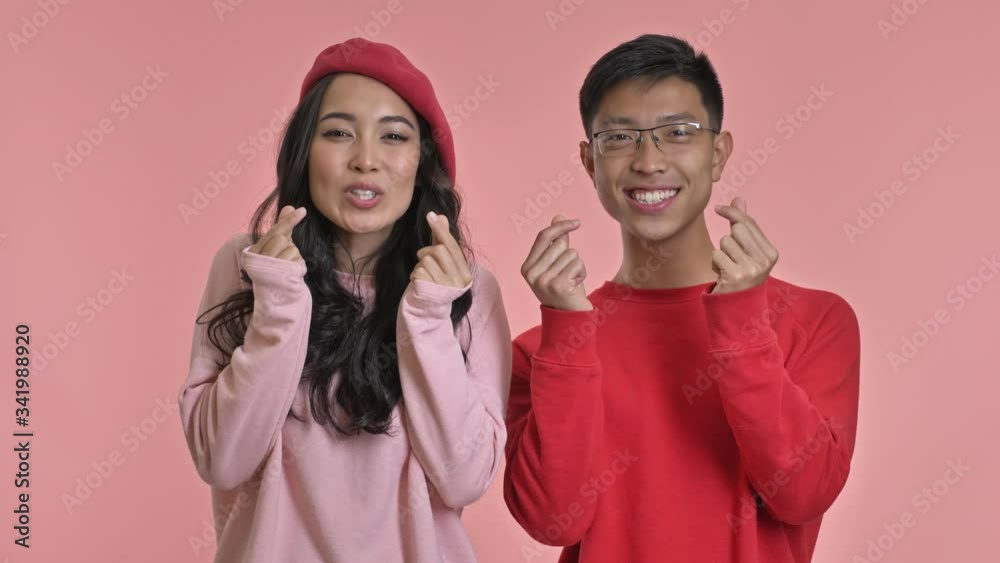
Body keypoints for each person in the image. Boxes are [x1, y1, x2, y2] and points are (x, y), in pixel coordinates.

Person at [503, 34, 861, 562]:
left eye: (678, 133)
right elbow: (554, 519)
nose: (649, 161)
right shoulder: (545, 348)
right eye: (620, 138)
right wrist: (566, 332)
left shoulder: (815, 321)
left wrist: (743, 323)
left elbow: (802, 493)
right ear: (589, 161)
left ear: (718, 154)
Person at [178, 37, 512, 563]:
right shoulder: (248, 265)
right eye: (337, 133)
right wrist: (280, 305)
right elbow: (223, 460)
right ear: (304, 151)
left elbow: (465, 479)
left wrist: (426, 317)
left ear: (421, 162)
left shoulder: (468, 290)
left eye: (393, 137)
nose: (365, 161)